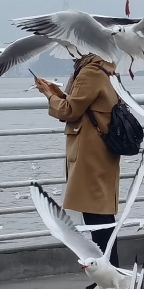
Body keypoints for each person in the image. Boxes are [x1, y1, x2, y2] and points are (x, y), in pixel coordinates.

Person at [34, 49, 123, 255]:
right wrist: (56, 92)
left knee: (97, 216)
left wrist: (48, 95)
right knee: (100, 213)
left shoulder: (89, 71)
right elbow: (82, 103)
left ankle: (108, 274)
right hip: (103, 148)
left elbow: (69, 111)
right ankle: (109, 273)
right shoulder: (106, 68)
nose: (68, 51)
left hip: (90, 150)